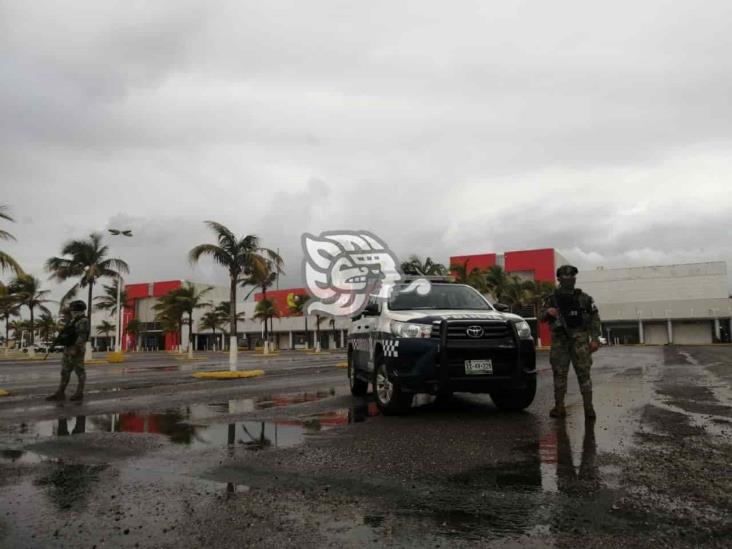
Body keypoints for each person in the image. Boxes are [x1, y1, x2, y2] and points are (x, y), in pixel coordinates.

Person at [541, 265, 601, 419]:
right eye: (566, 277)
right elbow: (540, 316)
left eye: (572, 277)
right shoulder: (551, 298)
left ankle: (589, 409)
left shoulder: (584, 298)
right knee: (559, 375)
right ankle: (559, 407)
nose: (570, 279)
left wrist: (595, 339)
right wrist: (548, 312)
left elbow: (594, 318)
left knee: (584, 374)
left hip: (580, 340)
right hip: (560, 342)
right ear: (559, 279)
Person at [46, 300, 90, 402]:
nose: (71, 311)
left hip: (76, 349)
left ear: (77, 310)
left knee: (80, 372)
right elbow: (67, 334)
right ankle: (60, 393)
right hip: (68, 349)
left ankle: (79, 393)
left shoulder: (83, 320)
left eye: (72, 310)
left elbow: (82, 336)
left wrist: (76, 348)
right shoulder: (73, 320)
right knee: (65, 371)